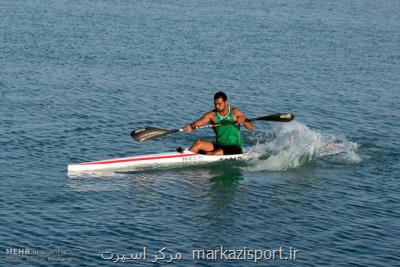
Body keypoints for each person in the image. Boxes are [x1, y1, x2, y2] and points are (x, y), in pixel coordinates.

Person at [182, 91, 254, 155]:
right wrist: (190, 127)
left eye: (219, 104)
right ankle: (185, 158)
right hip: (220, 144)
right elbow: (198, 123)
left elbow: (251, 127)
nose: (217, 106)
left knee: (215, 153)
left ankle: (203, 156)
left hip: (235, 146)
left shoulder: (235, 112)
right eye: (215, 104)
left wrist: (244, 121)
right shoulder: (212, 115)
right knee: (198, 143)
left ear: (226, 102)